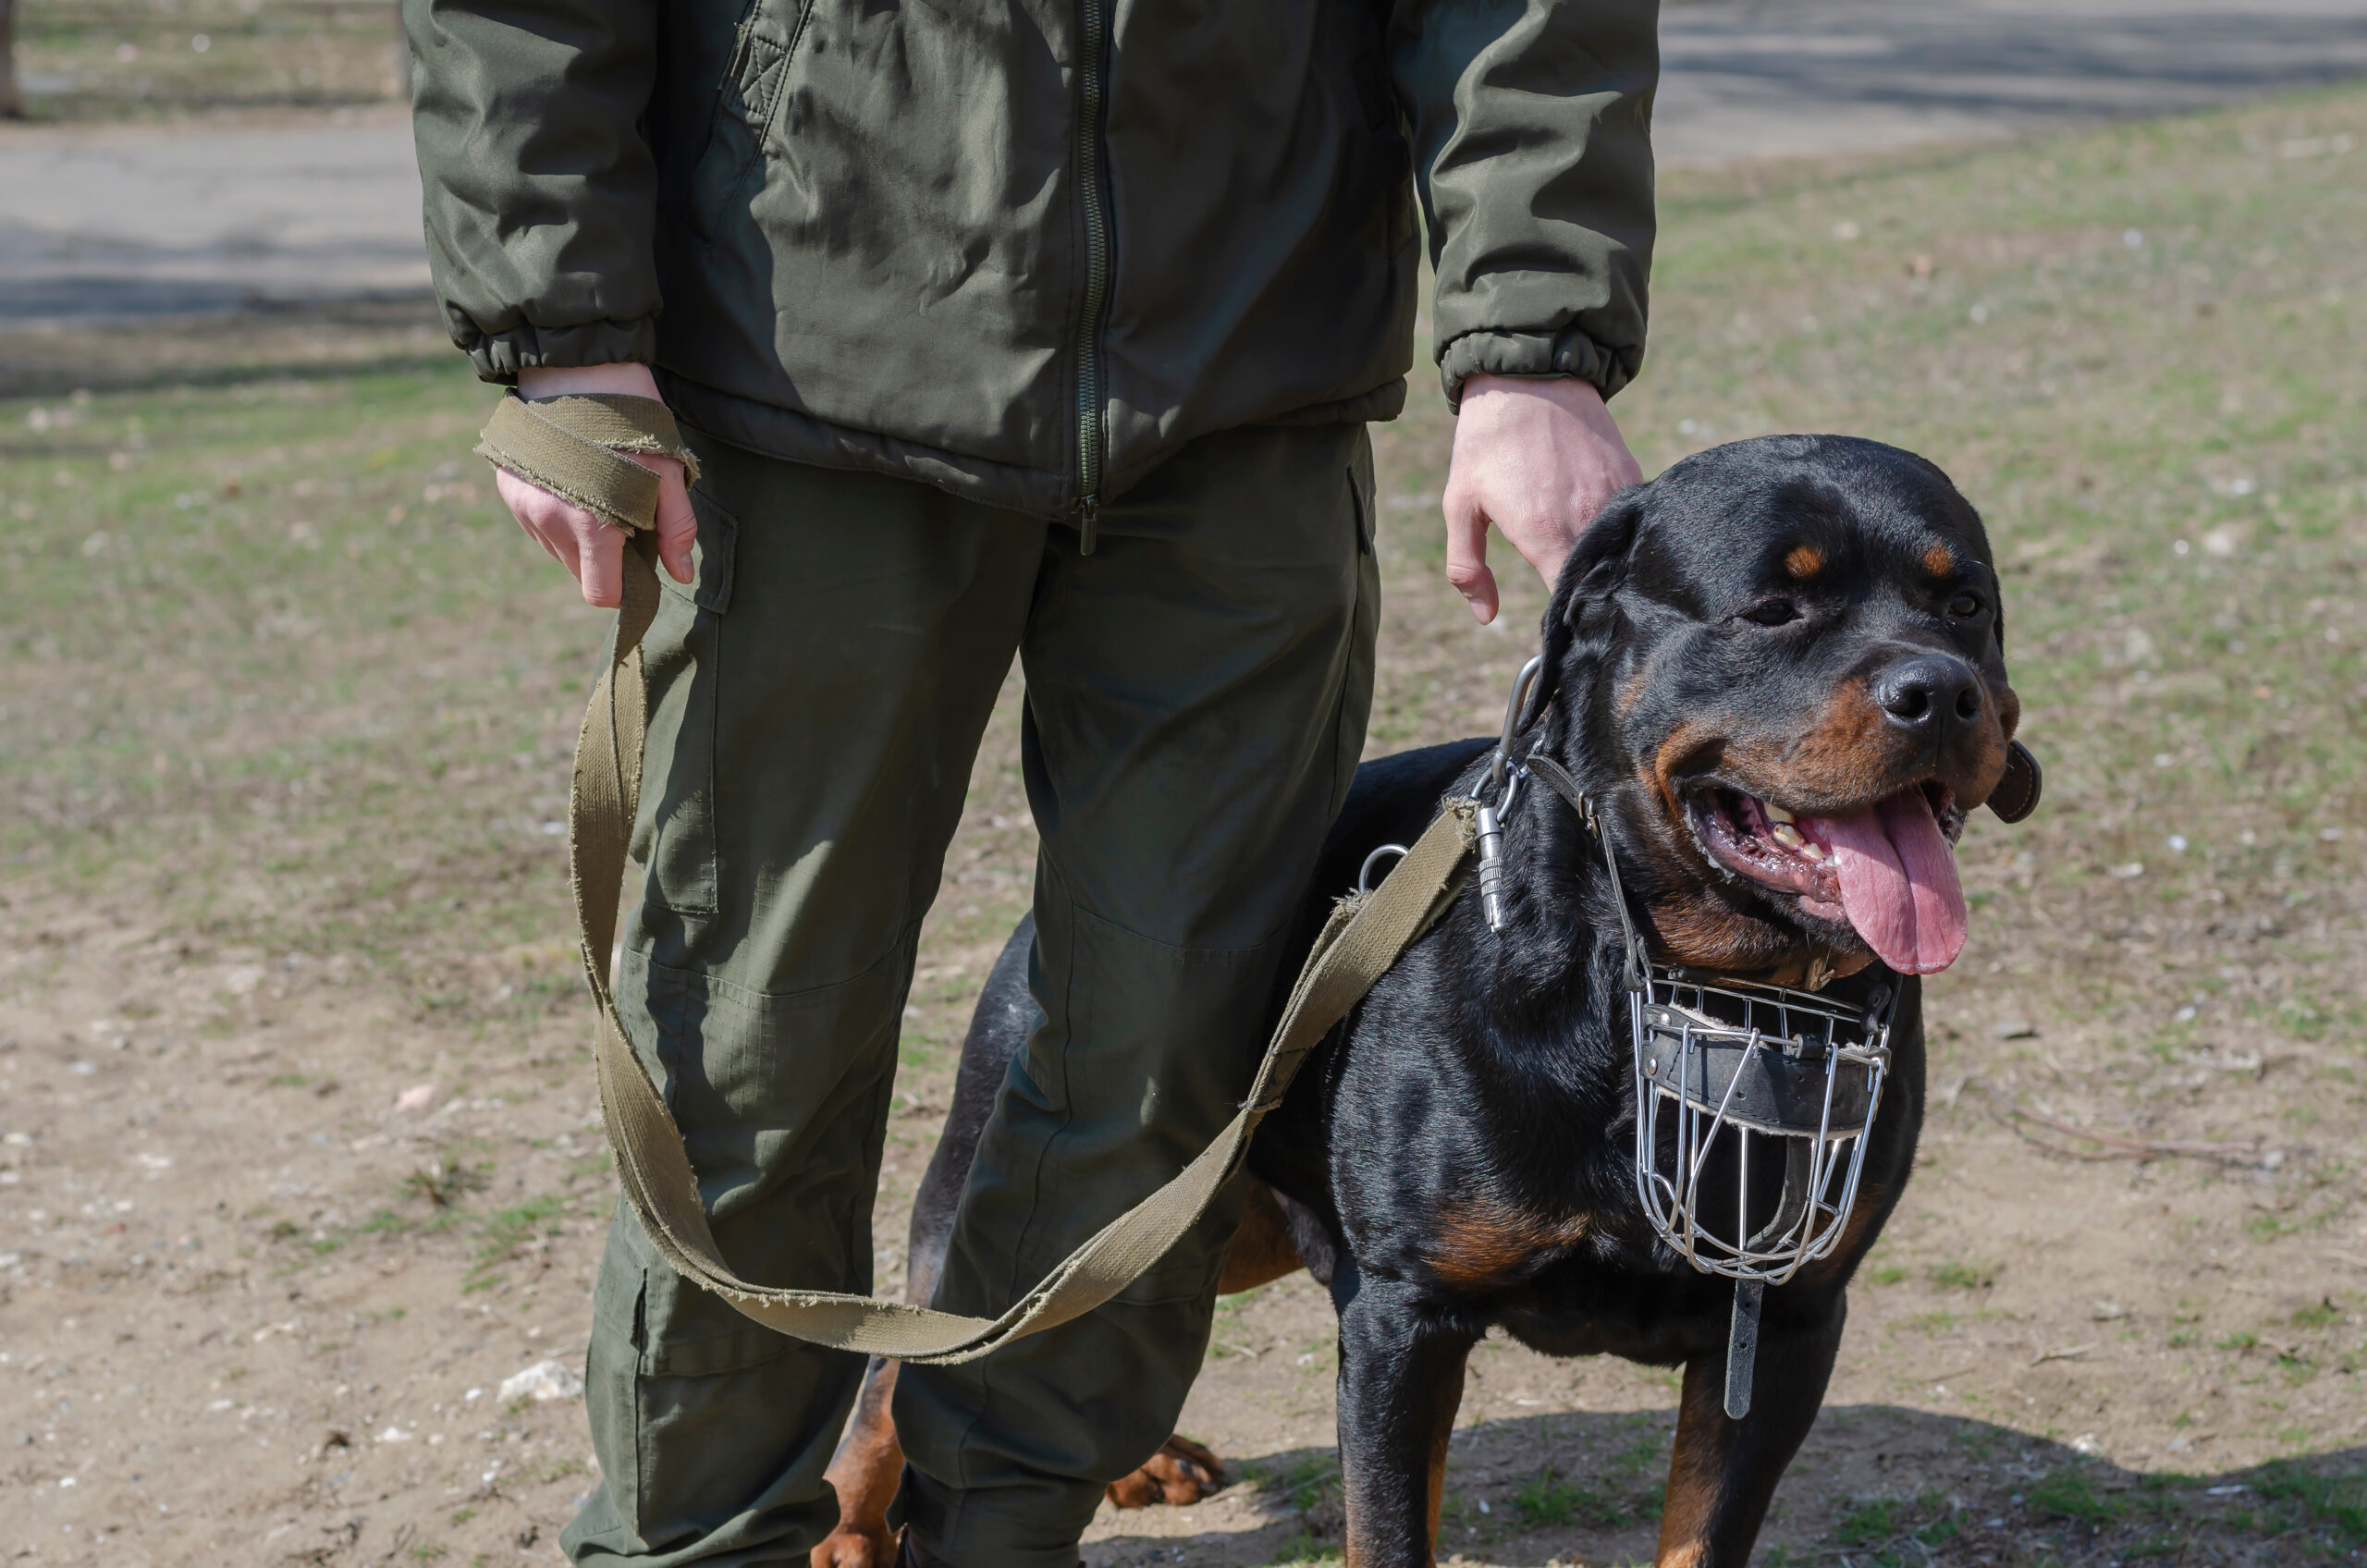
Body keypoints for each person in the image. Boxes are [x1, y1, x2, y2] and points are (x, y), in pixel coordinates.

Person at [404, 2, 1658, 1562]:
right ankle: (698, 1544)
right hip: (802, 346)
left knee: (1167, 1050)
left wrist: (1535, 338)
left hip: (1247, 371)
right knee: (749, 1045)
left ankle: (998, 1531)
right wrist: (562, 313)